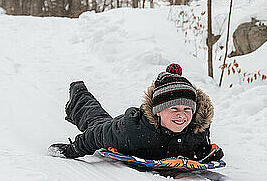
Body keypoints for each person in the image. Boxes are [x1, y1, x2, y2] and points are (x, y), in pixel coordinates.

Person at [48, 63, 224, 162]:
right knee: (96, 121)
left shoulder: (197, 128)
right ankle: (79, 94)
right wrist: (72, 150)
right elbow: (95, 135)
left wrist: (206, 153)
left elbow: (200, 146)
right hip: (112, 130)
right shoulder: (133, 129)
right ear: (159, 112)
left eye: (187, 109)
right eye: (174, 109)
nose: (182, 115)